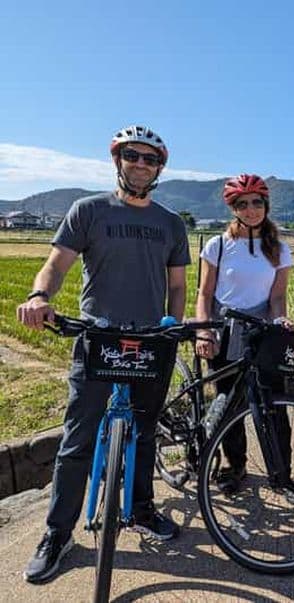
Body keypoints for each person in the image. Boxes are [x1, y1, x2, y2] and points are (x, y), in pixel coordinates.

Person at [16, 125, 190, 584]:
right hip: (99, 337)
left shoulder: (171, 223)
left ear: (159, 168)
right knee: (77, 439)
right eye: (132, 155)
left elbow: (176, 285)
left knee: (145, 432)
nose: (140, 164)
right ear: (118, 160)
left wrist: (174, 323)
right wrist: (38, 297)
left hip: (152, 340)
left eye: (149, 159)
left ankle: (142, 507)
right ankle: (58, 534)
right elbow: (56, 264)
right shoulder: (88, 211)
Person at [194, 173, 294, 505]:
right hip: (226, 329)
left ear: (266, 204)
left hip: (262, 331)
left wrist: (281, 318)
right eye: (243, 204)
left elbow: (277, 298)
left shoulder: (279, 249)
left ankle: (281, 475)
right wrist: (204, 330)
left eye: (257, 202)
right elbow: (205, 294)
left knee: (273, 405)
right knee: (230, 403)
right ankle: (235, 466)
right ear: (233, 208)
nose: (252, 209)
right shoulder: (218, 245)